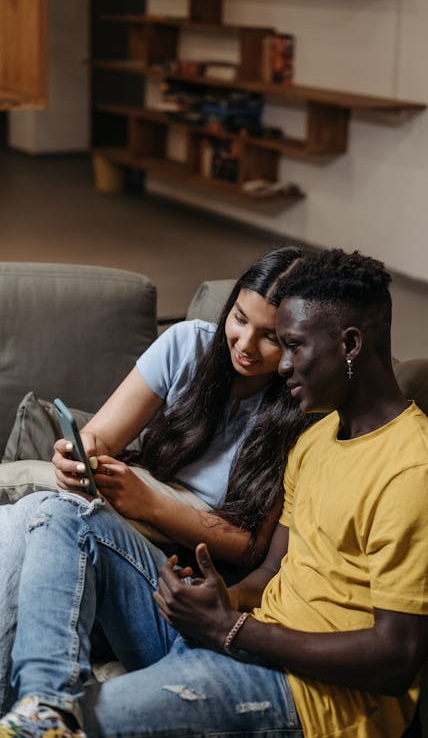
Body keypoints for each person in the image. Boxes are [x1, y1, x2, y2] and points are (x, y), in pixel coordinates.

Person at [0, 249, 428, 738]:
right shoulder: (318, 439)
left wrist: (230, 628)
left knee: (77, 723)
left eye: (290, 345)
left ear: (350, 344)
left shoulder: (420, 473)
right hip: (233, 639)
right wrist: (215, 601)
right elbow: (271, 571)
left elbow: (394, 659)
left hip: (305, 699)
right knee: (58, 513)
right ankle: (45, 704)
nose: (283, 366)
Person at [0, 246, 317, 721]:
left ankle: (44, 710)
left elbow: (253, 549)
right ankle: (40, 714)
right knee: (34, 519)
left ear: (296, 340)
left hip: (178, 568)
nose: (246, 344)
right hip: (121, 525)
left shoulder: (302, 408)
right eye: (239, 318)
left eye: (269, 336)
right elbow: (102, 435)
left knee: (47, 514)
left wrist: (150, 504)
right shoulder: (187, 344)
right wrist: (77, 453)